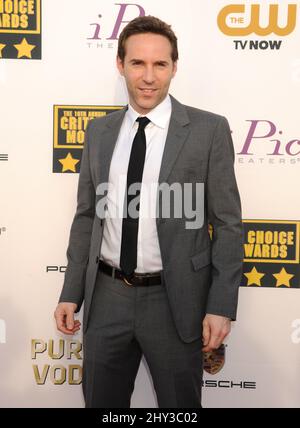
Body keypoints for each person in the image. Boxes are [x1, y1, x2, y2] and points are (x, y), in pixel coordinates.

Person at [54, 15, 243, 408]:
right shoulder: (99, 132)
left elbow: (227, 224)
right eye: (138, 63)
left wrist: (220, 306)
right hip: (106, 298)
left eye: (160, 64)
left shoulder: (208, 131)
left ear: (175, 66)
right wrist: (72, 292)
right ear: (120, 64)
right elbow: (87, 215)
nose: (148, 77)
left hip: (175, 301)